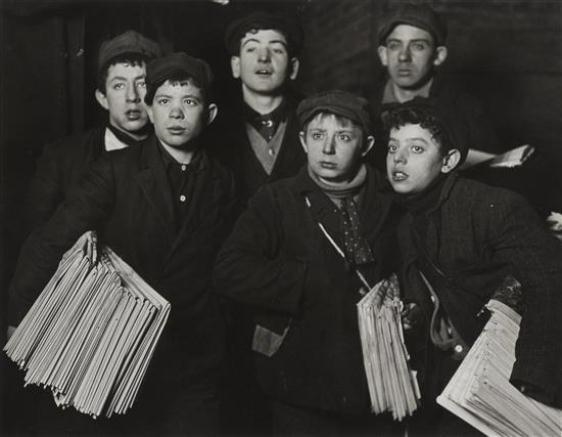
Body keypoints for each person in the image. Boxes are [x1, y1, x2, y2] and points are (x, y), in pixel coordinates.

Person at [6, 52, 237, 435]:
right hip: (117, 348)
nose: (176, 113)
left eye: (189, 102)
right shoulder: (116, 171)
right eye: (164, 102)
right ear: (150, 110)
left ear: (209, 114)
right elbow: (49, 240)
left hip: (194, 355)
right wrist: (18, 316)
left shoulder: (225, 181)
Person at [214, 90, 402, 435]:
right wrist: (307, 281)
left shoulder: (392, 201)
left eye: (343, 137)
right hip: (300, 379)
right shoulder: (276, 199)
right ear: (303, 141)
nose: (327, 149)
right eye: (318, 136)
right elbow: (229, 271)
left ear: (367, 144)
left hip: (377, 381)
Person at [384, 101, 562, 436]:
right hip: (448, 384)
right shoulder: (406, 222)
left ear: (449, 160)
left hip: (509, 380)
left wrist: (530, 378)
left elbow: (551, 280)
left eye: (416, 148)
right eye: (393, 147)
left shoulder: (492, 207)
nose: (399, 159)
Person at [24, 30, 162, 231]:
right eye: (119, 85)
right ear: (102, 98)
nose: (132, 96)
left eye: (142, 83)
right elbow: (33, 238)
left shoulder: (176, 156)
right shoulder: (61, 158)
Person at [368, 3, 501, 170]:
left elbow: (492, 173)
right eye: (395, 45)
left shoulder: (466, 110)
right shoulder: (364, 107)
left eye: (418, 46)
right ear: (383, 55)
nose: (403, 56)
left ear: (438, 56)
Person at [208, 11, 306, 204]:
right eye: (251, 49)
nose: (263, 58)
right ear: (236, 65)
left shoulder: (311, 123)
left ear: (293, 68)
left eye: (277, 49)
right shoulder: (212, 130)